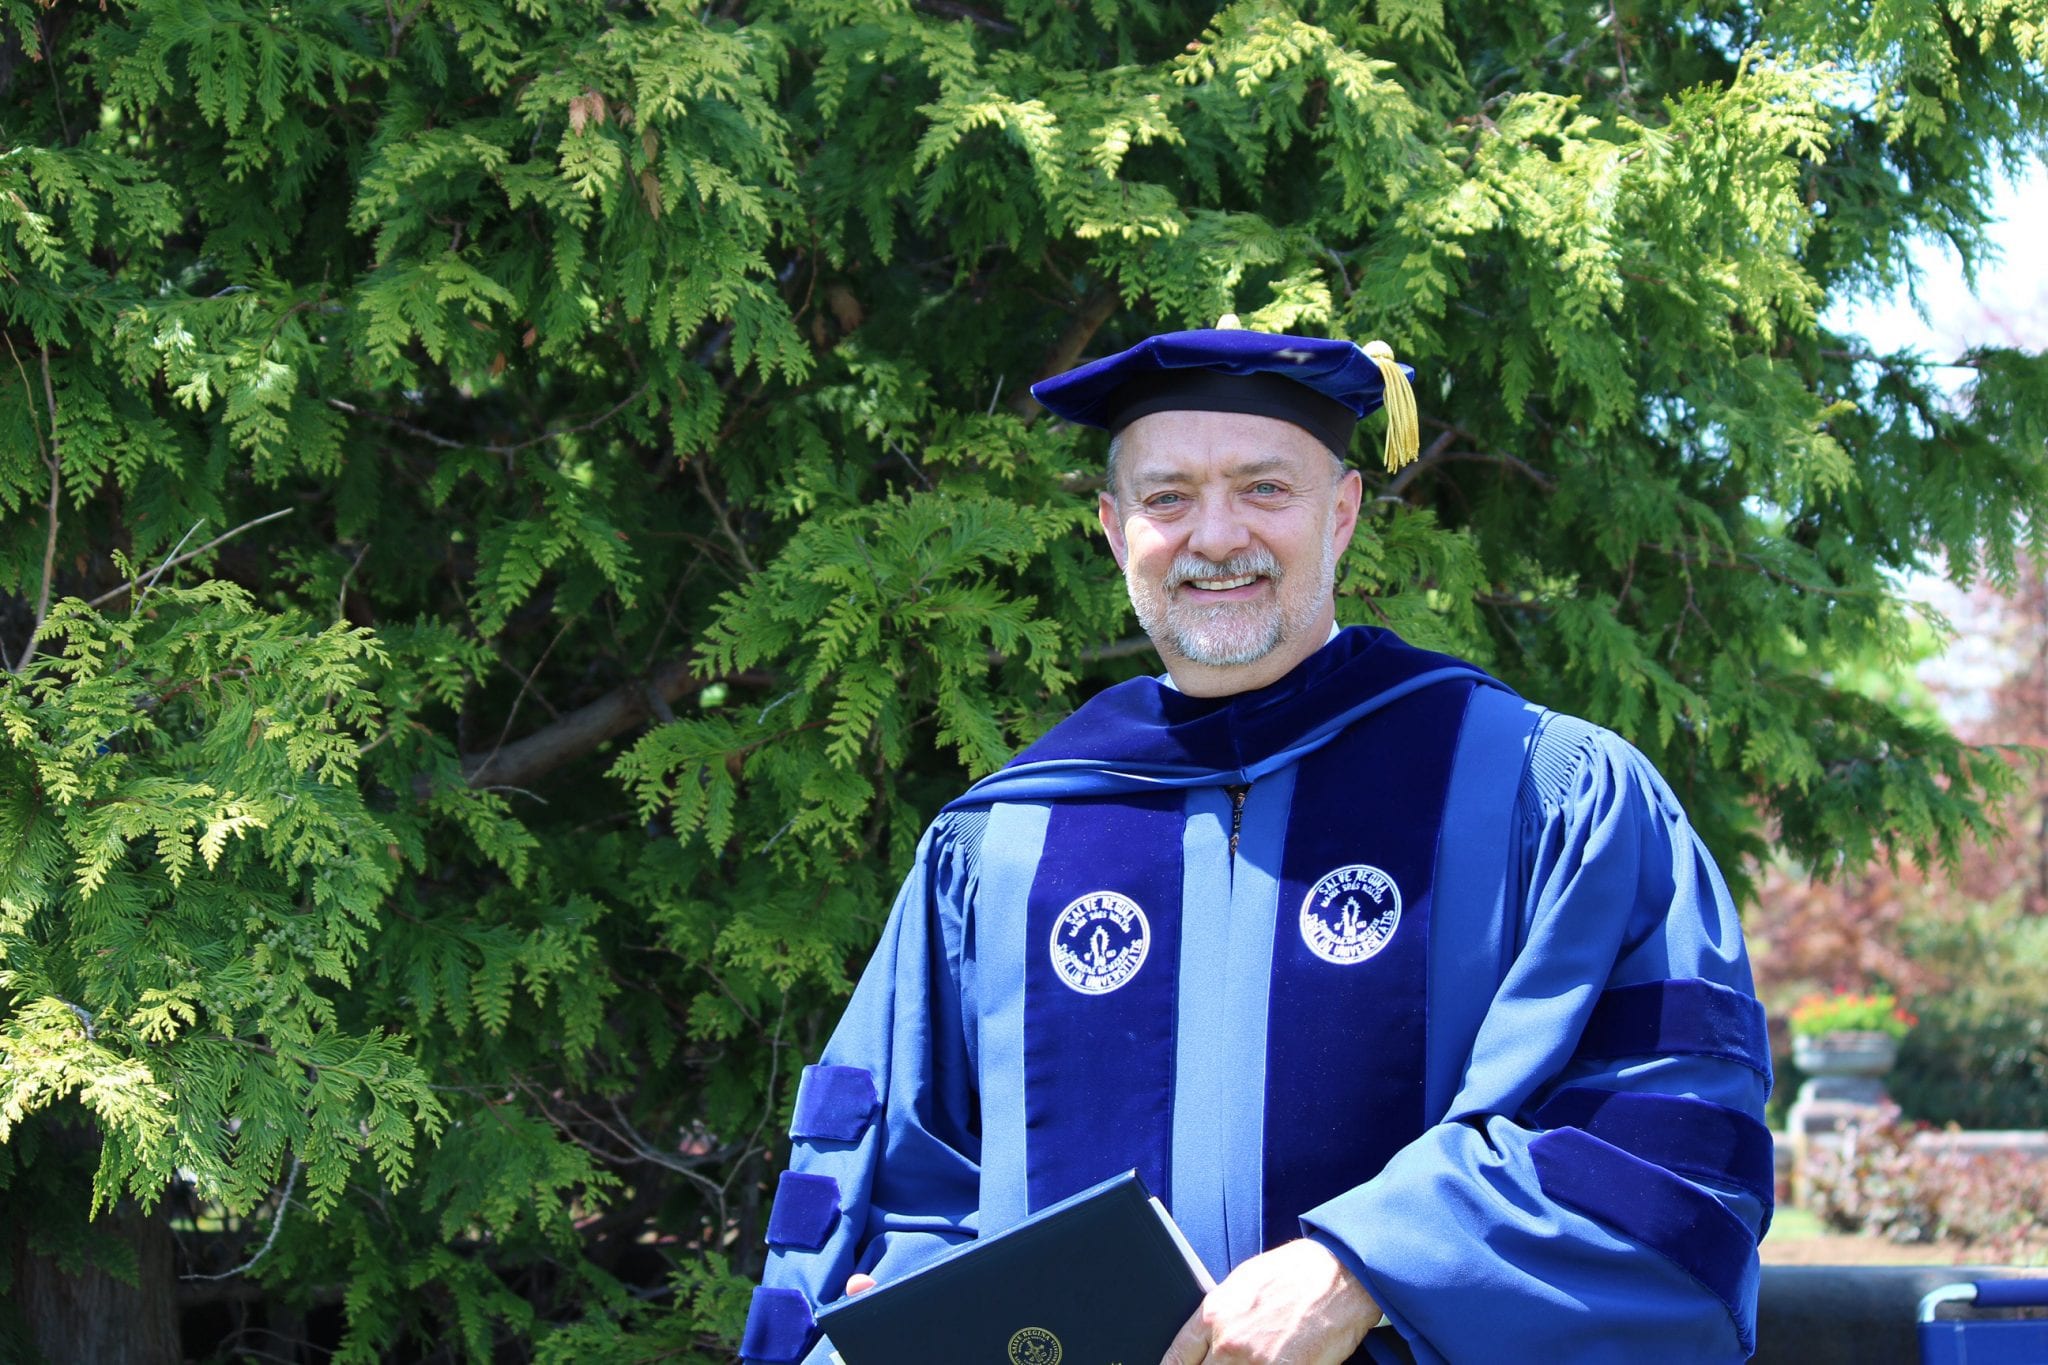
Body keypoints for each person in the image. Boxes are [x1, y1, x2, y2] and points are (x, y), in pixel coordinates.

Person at [739, 322, 1773, 1365]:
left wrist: (1367, 1267)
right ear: (1111, 528)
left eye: (1263, 490)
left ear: (1343, 512)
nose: (1215, 536)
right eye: (1166, 497)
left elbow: (1664, 1136)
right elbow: (903, 1184)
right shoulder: (1002, 842)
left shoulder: (1534, 794)